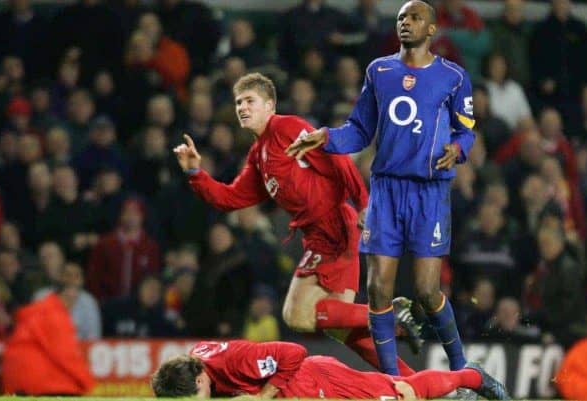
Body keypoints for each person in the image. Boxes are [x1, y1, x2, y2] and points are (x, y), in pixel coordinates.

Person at [173, 72, 422, 372]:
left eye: (250, 101)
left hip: (334, 229)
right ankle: (410, 383)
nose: (242, 108)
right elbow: (230, 198)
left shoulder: (286, 127)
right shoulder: (258, 155)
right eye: (239, 102)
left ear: (269, 106)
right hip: (320, 233)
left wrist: (365, 203)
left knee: (296, 316)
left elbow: (337, 157)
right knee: (340, 326)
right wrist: (195, 173)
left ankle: (390, 315)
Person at [287, 0, 474, 377]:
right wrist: (325, 137)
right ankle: (392, 383)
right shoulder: (379, 70)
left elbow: (466, 129)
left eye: (415, 17)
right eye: (402, 17)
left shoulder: (453, 77)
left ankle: (463, 371)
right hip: (386, 190)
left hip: (429, 192)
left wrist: (458, 149)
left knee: (426, 290)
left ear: (432, 29)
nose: (406, 22)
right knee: (377, 290)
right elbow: (360, 129)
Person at [151, 340, 510, 400]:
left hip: (318, 384)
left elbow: (292, 351)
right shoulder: (193, 364)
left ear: (201, 379)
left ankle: (473, 376)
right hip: (308, 385)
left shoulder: (236, 363)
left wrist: (261, 396)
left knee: (404, 392)